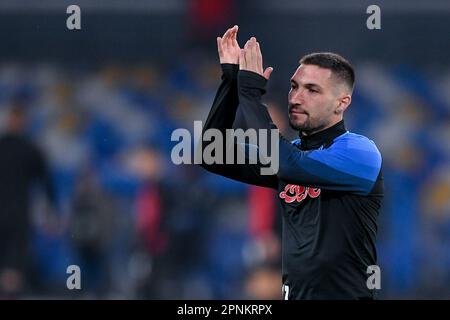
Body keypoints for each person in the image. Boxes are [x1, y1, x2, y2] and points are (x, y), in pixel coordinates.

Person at [199, 25, 384, 299]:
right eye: (294, 87)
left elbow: (288, 164)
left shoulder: (360, 153)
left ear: (342, 103)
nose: (296, 98)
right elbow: (211, 153)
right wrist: (230, 80)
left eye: (312, 90)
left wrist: (249, 92)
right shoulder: (292, 154)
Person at [0, 105, 57, 298]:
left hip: (13, 212)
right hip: (17, 214)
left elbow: (46, 181)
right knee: (13, 261)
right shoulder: (30, 149)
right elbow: (46, 182)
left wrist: (51, 207)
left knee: (11, 262)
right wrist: (52, 208)